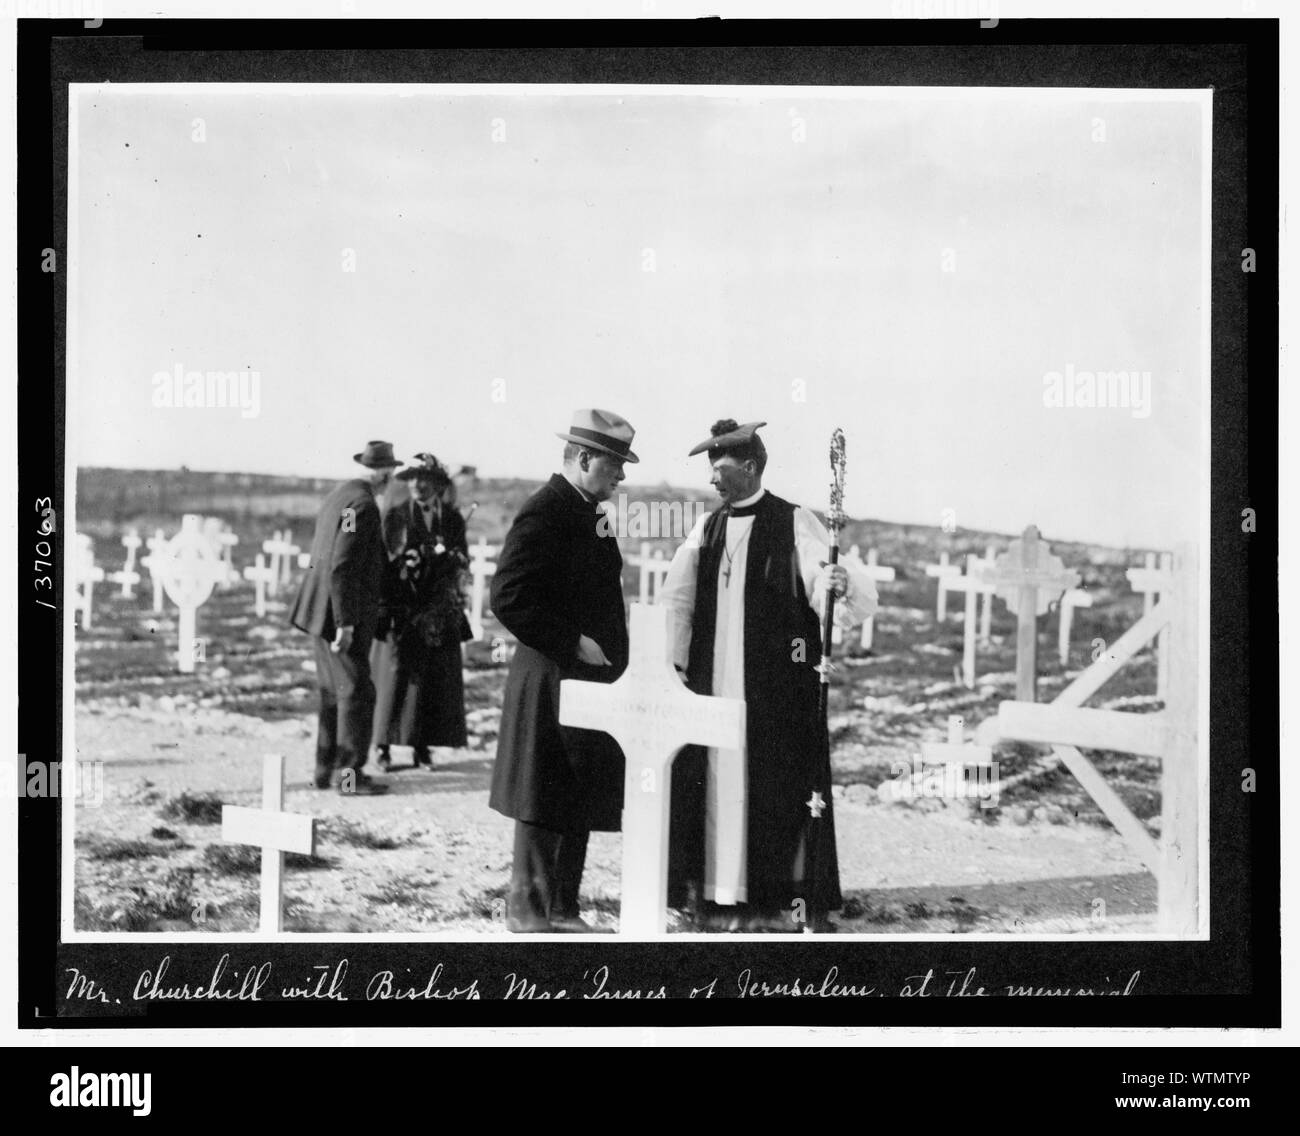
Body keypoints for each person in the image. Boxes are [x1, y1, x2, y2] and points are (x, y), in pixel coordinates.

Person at [661, 419, 878, 931]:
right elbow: (677, 600)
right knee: (710, 783)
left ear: (752, 466)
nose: (713, 477)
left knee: (776, 787)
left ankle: (782, 896)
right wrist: (671, 666)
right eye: (711, 467)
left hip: (776, 689)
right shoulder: (705, 528)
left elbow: (826, 587)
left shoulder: (794, 521)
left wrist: (835, 581)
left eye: (722, 466)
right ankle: (717, 894)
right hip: (711, 684)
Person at [488, 409, 637, 932]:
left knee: (575, 788)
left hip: (584, 680)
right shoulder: (546, 510)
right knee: (541, 791)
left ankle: (562, 907)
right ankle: (528, 910)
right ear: (584, 458)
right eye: (615, 465)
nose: (621, 476)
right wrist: (572, 642)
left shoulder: (589, 511)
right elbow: (507, 596)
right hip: (551, 673)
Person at [289, 439, 402, 796]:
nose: (391, 479)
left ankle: (325, 770)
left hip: (318, 613)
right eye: (391, 472)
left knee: (332, 691)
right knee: (356, 692)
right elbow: (342, 565)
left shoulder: (341, 496)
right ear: (383, 472)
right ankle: (348, 777)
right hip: (339, 616)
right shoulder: (364, 506)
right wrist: (346, 623)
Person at [371, 452, 470, 771]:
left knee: (432, 677)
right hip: (403, 607)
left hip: (437, 608)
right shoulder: (397, 515)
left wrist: (450, 565)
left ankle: (422, 746)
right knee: (393, 676)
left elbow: (461, 561)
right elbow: (387, 562)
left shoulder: (453, 519)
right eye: (412, 479)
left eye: (424, 480)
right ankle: (382, 746)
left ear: (438, 486)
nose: (417, 485)